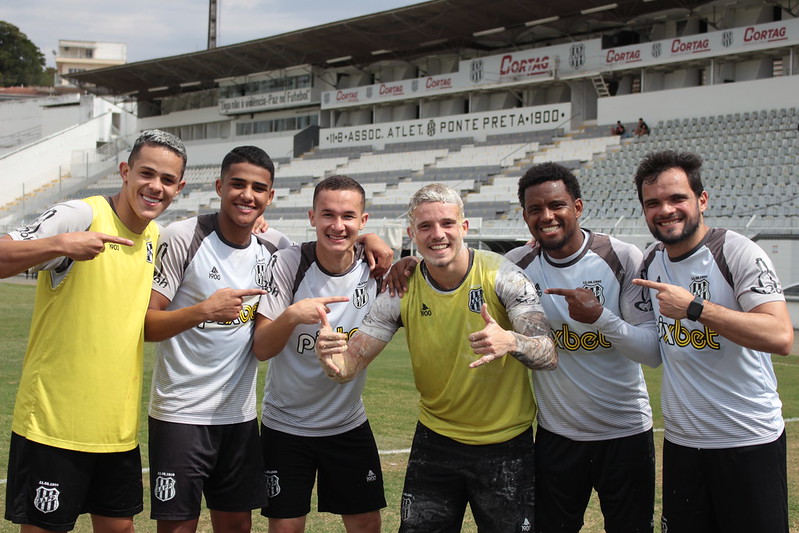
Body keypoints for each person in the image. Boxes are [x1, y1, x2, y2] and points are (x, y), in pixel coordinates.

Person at [316, 183, 558, 533]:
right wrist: (331, 357)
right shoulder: (401, 288)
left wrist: (511, 341)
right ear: (411, 233)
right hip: (435, 440)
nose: (437, 234)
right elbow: (347, 367)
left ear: (464, 228)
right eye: (425, 226)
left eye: (447, 223)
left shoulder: (502, 275)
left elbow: (547, 353)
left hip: (506, 444)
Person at [0, 130, 187, 533]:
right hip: (53, 427)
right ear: (125, 171)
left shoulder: (153, 235)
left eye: (167, 180)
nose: (156, 186)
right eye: (146, 173)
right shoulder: (81, 215)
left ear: (178, 188)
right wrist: (60, 243)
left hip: (116, 433)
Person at [631, 150, 792, 533]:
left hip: (748, 441)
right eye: (653, 203)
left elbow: (781, 335)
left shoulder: (735, 251)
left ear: (702, 200)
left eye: (677, 198)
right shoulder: (651, 261)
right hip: (683, 445)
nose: (666, 210)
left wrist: (696, 308)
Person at [505, 162, 658, 533]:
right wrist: (403, 258)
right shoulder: (515, 265)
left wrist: (600, 318)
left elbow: (652, 353)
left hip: (625, 433)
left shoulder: (621, 256)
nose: (547, 216)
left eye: (556, 205)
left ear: (577, 206)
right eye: (535, 209)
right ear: (524, 216)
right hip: (558, 436)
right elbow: (458, 266)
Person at [143, 146, 289, 533]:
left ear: (270, 197)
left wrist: (370, 239)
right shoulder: (183, 236)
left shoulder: (276, 249)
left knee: (238, 524)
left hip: (238, 417)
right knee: (177, 527)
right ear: (219, 186)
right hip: (179, 414)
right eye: (237, 184)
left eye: (259, 188)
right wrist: (203, 311)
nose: (247, 195)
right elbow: (146, 324)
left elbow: (332, 244)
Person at [251, 175, 387, 533]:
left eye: (348, 216)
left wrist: (400, 260)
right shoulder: (288, 263)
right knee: (285, 528)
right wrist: (295, 314)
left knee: (367, 524)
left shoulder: (376, 270)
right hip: (286, 425)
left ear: (363, 221)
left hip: (346, 423)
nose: (337, 225)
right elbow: (262, 348)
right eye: (328, 214)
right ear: (312, 217)